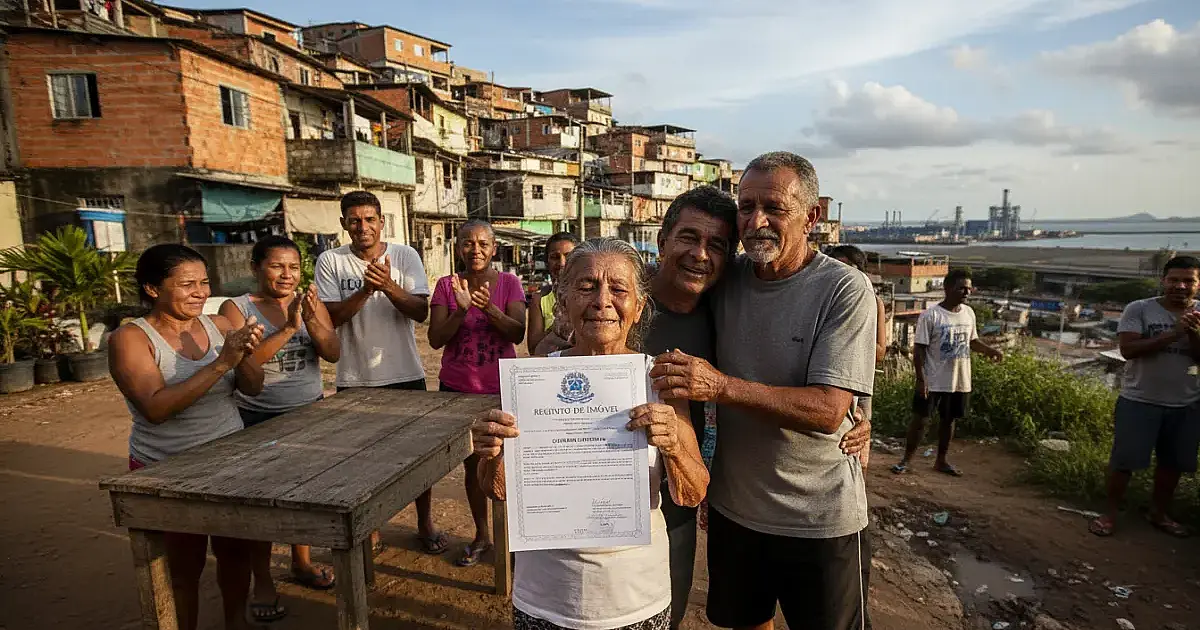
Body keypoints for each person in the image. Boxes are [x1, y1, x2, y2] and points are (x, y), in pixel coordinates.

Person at [651, 152, 877, 630]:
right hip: (736, 510)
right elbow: (654, 291)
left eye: (774, 208)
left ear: (812, 217)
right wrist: (562, 335)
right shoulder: (725, 278)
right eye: (747, 206)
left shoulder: (844, 288)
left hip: (820, 517)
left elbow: (829, 409)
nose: (757, 221)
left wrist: (721, 386)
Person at [472, 237, 709, 630]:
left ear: (638, 308)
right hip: (546, 596)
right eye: (586, 287)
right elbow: (495, 488)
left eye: (618, 289)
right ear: (563, 303)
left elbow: (693, 491)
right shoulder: (532, 381)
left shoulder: (660, 380)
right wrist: (492, 453)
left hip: (635, 597)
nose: (602, 301)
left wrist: (674, 448)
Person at [108, 244, 265, 630]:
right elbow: (156, 409)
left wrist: (243, 355)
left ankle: (236, 622)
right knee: (183, 567)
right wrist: (222, 362)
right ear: (151, 288)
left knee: (234, 553)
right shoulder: (130, 338)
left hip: (229, 459)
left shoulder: (220, 326)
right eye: (187, 284)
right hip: (167, 467)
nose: (201, 292)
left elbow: (255, 387)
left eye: (205, 282)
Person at [313, 190, 447, 555]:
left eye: (370, 219)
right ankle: (370, 526)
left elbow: (420, 311)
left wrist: (387, 285)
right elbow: (331, 318)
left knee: (418, 455)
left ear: (381, 221)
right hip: (354, 379)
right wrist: (364, 291)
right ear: (343, 224)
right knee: (360, 460)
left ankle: (425, 521)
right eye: (354, 220)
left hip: (404, 371)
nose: (363, 227)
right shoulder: (331, 261)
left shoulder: (404, 256)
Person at [218, 236, 341, 620]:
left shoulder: (308, 301)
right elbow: (244, 362)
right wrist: (289, 329)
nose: (287, 275)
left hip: (308, 414)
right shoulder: (236, 309)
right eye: (276, 266)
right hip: (256, 417)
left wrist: (312, 321)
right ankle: (263, 580)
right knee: (260, 504)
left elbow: (333, 352)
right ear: (255, 268)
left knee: (304, 496)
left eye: (293, 267)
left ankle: (301, 563)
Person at [428, 219, 527, 566]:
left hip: (501, 390)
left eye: (483, 243)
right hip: (457, 390)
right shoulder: (446, 286)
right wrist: (462, 309)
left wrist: (488, 309)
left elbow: (517, 333)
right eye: (468, 243)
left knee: (505, 465)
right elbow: (436, 338)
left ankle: (514, 538)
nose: (476, 250)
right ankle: (483, 534)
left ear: (494, 248)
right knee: (473, 466)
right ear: (458, 248)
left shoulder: (510, 283)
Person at [1089, 256, 1200, 538]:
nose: (1180, 286)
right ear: (1163, 281)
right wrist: (1175, 333)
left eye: (1188, 280)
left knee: (1171, 465)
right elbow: (1129, 350)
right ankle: (1110, 514)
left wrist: (1195, 335)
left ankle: (1159, 513)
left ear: (1198, 284)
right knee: (1124, 462)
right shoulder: (1139, 309)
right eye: (1174, 280)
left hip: (1185, 403)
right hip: (1139, 400)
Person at [891, 268, 1003, 477]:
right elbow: (920, 349)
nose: (966, 293)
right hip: (933, 379)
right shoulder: (931, 315)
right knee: (921, 420)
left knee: (949, 420)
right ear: (947, 288)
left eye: (969, 289)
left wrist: (990, 350)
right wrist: (920, 379)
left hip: (959, 379)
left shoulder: (969, 313)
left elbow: (972, 341)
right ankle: (906, 460)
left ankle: (941, 460)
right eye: (961, 288)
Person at [830, 244, 888, 471]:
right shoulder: (821, 301)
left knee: (856, 446)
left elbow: (880, 351)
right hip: (827, 385)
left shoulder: (873, 302)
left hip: (858, 387)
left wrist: (847, 343)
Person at [527, 231, 579, 355]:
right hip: (553, 369)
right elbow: (534, 350)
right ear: (547, 262)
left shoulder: (593, 296)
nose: (562, 263)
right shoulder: (540, 299)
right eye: (555, 257)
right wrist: (558, 326)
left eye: (568, 256)